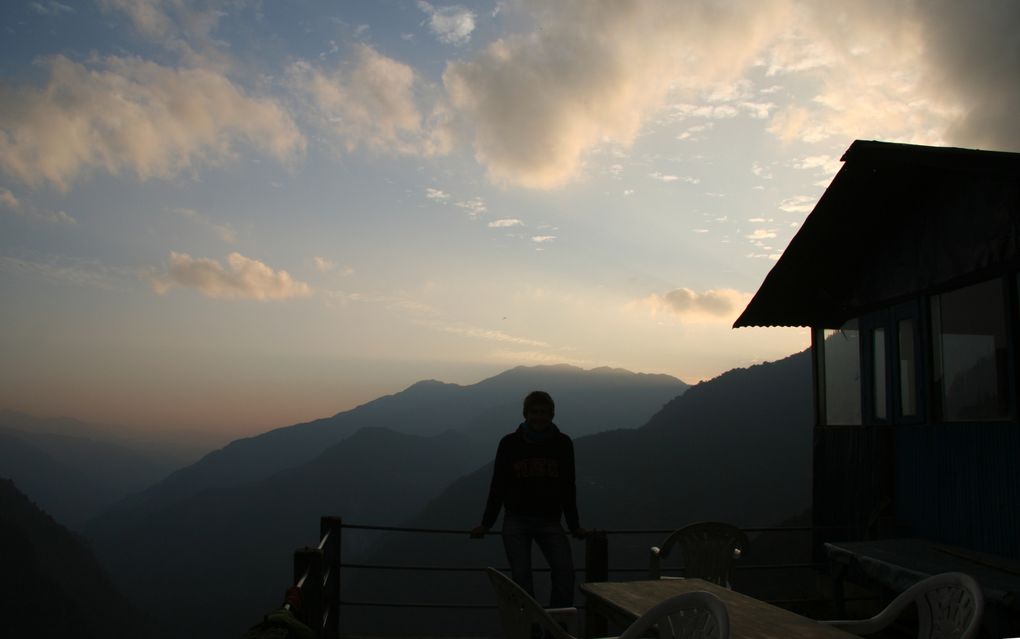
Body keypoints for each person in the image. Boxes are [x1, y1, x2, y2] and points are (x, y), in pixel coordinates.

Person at [470, 390, 587, 608]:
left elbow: (568, 486)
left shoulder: (563, 444)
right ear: (525, 414)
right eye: (534, 412)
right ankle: (530, 628)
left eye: (544, 412)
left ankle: (556, 627)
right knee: (522, 580)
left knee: (565, 573)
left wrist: (574, 525)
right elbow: (498, 486)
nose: (539, 417)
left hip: (550, 520)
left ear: (552, 415)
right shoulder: (509, 444)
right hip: (516, 519)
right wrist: (486, 523)